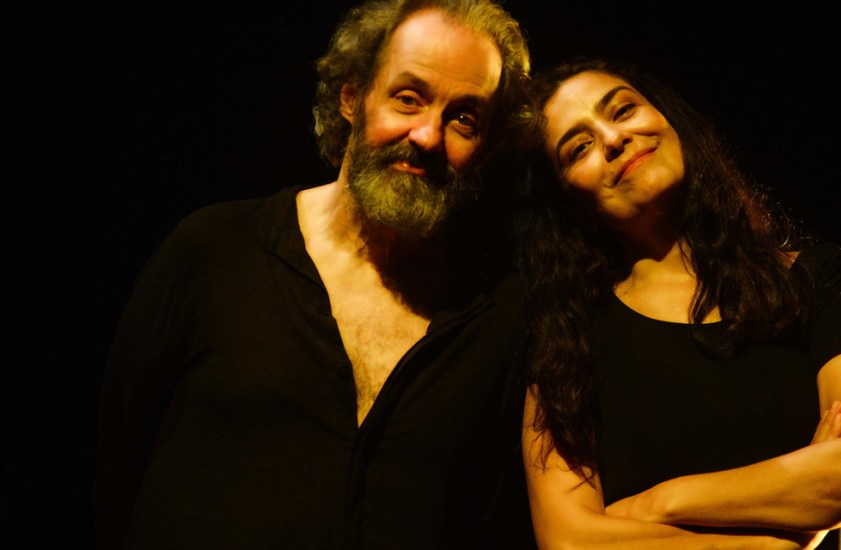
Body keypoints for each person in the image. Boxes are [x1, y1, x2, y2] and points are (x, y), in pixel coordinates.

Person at [94, 1, 537, 548]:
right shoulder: (214, 249)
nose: (427, 135)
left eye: (464, 118)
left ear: (487, 147)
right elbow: (115, 469)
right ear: (352, 97)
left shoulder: (499, 318)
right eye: (408, 98)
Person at [515, 56, 841, 549]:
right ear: (572, 204)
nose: (613, 139)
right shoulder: (566, 341)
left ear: (670, 121)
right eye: (580, 147)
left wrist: (660, 503)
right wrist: (774, 542)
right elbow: (570, 542)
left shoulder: (818, 277)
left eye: (623, 110)